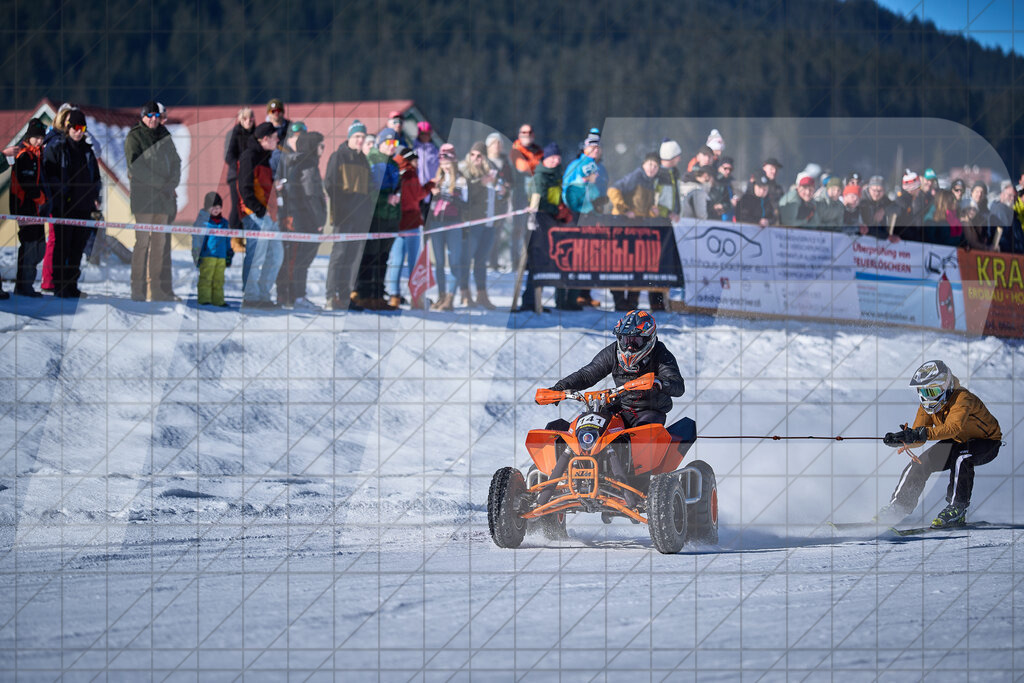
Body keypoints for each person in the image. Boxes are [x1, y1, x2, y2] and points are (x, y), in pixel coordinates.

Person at [535, 310, 686, 507]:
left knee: (643, 434)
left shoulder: (661, 354)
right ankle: (566, 478)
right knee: (582, 426)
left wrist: (659, 382)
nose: (629, 345)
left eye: (636, 341)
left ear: (649, 339)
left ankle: (636, 487)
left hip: (649, 410)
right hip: (620, 407)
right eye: (624, 339)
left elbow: (678, 385)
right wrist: (559, 389)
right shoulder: (613, 352)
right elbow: (588, 374)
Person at [879, 360, 1001, 528]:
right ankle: (899, 507)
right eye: (922, 391)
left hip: (986, 442)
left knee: (962, 458)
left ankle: (957, 508)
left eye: (932, 390)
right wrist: (903, 438)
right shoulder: (927, 405)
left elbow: (953, 428)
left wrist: (920, 434)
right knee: (921, 462)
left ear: (947, 385)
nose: (927, 396)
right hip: (958, 441)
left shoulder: (962, 398)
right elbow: (920, 435)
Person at [125, 100, 182, 302]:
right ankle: (137, 289)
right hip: (144, 199)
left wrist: (171, 184)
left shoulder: (164, 135)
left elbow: (176, 162)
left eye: (157, 116)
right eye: (150, 116)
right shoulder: (135, 136)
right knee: (142, 243)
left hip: (164, 200)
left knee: (159, 245)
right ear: (143, 116)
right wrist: (161, 183)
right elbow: (136, 167)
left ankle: (155, 289)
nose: (153, 120)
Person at [42, 109, 101, 299]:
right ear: (68, 128)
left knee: (77, 249)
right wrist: (60, 193)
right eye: (75, 127)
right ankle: (59, 286)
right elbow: (48, 173)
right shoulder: (58, 147)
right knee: (62, 247)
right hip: (64, 207)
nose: (78, 131)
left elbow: (96, 177)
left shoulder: (87, 151)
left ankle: (72, 285)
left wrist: (95, 195)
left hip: (84, 207)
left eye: (82, 127)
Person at [324, 120, 372, 311]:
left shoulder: (363, 160)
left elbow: (368, 190)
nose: (360, 140)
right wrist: (341, 207)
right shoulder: (339, 156)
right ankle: (330, 296)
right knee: (339, 255)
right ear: (349, 137)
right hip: (343, 215)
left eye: (363, 137)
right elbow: (330, 183)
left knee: (352, 257)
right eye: (357, 137)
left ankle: (345, 296)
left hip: (360, 218)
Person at [277, 131, 326, 309]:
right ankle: (298, 297)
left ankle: (296, 295)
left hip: (299, 217)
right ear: (313, 146)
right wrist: (320, 220)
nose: (323, 149)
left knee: (297, 260)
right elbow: (311, 195)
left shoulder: (299, 163)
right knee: (302, 261)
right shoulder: (308, 166)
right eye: (321, 145)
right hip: (306, 220)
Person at [238, 122, 284, 308]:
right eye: (274, 137)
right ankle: (251, 297)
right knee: (256, 256)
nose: (277, 140)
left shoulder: (266, 157)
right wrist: (259, 210)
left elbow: (263, 186)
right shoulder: (249, 156)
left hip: (270, 215)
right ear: (265, 139)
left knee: (276, 255)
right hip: (256, 215)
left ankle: (263, 295)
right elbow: (244, 188)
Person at [517, 143, 567, 312]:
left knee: (545, 262)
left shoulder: (558, 175)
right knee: (536, 262)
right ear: (545, 159)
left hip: (551, 221)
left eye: (557, 158)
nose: (555, 161)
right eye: (552, 157)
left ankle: (537, 300)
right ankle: (529, 300)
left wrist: (561, 207)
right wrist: (557, 209)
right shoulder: (539, 176)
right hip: (538, 221)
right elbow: (539, 201)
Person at [391, 147, 434, 308]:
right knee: (414, 262)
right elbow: (417, 195)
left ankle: (394, 295)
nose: (417, 163)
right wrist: (430, 186)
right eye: (416, 160)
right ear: (411, 160)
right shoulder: (411, 174)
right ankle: (416, 297)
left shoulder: (398, 172)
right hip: (412, 222)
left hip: (398, 222)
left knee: (397, 260)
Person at [10, 118, 48, 297]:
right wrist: (40, 198)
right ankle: (23, 285)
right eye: (37, 138)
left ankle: (27, 283)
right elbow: (26, 183)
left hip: (36, 209)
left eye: (42, 138)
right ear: (29, 137)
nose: (40, 141)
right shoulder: (24, 155)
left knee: (40, 245)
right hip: (24, 206)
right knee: (30, 245)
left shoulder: (38, 155)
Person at [429, 143, 469, 311]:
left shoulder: (461, 180)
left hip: (454, 222)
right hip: (436, 223)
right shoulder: (437, 179)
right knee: (438, 262)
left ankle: (450, 298)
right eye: (442, 163)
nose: (445, 167)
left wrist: (449, 196)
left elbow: (465, 203)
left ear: (454, 163)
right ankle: (441, 295)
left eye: (448, 163)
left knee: (454, 261)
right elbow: (428, 203)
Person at [461, 141, 498, 308]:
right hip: (472, 223)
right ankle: (465, 292)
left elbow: (496, 197)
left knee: (481, 261)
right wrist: (481, 183)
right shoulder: (465, 171)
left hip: (489, 222)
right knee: (466, 259)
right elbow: (465, 197)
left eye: (479, 155)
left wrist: (502, 192)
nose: (475, 158)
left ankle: (482, 294)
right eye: (473, 154)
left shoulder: (490, 172)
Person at [190, 192, 231, 307]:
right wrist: (196, 253)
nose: (216, 210)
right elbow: (197, 239)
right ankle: (205, 299)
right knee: (206, 278)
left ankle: (218, 300)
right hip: (207, 255)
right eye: (213, 207)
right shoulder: (202, 222)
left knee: (219, 279)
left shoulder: (224, 223)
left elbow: (227, 239)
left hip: (221, 256)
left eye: (219, 207)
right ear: (207, 207)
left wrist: (229, 252)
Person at [224, 107, 255, 232]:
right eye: (245, 118)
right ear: (240, 120)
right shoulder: (234, 134)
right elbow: (229, 156)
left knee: (250, 206)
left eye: (250, 118)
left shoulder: (256, 134)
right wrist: (240, 167)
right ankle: (235, 238)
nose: (248, 121)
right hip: (236, 175)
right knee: (237, 206)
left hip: (252, 176)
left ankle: (249, 237)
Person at [708, 156, 736, 221]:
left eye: (730, 169)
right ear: (719, 168)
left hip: (730, 218)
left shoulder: (731, 182)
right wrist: (725, 205)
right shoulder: (714, 182)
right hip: (718, 218)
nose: (728, 171)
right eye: (725, 168)